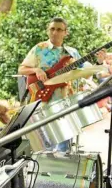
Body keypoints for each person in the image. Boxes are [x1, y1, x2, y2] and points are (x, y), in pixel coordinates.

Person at [18, 17, 106, 151]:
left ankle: (60, 170)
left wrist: (99, 63)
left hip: (65, 104)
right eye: (52, 29)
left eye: (59, 29)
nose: (55, 32)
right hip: (43, 102)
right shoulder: (39, 49)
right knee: (44, 144)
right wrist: (36, 69)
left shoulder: (72, 53)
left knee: (64, 146)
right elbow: (21, 69)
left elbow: (86, 73)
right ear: (48, 31)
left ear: (65, 33)